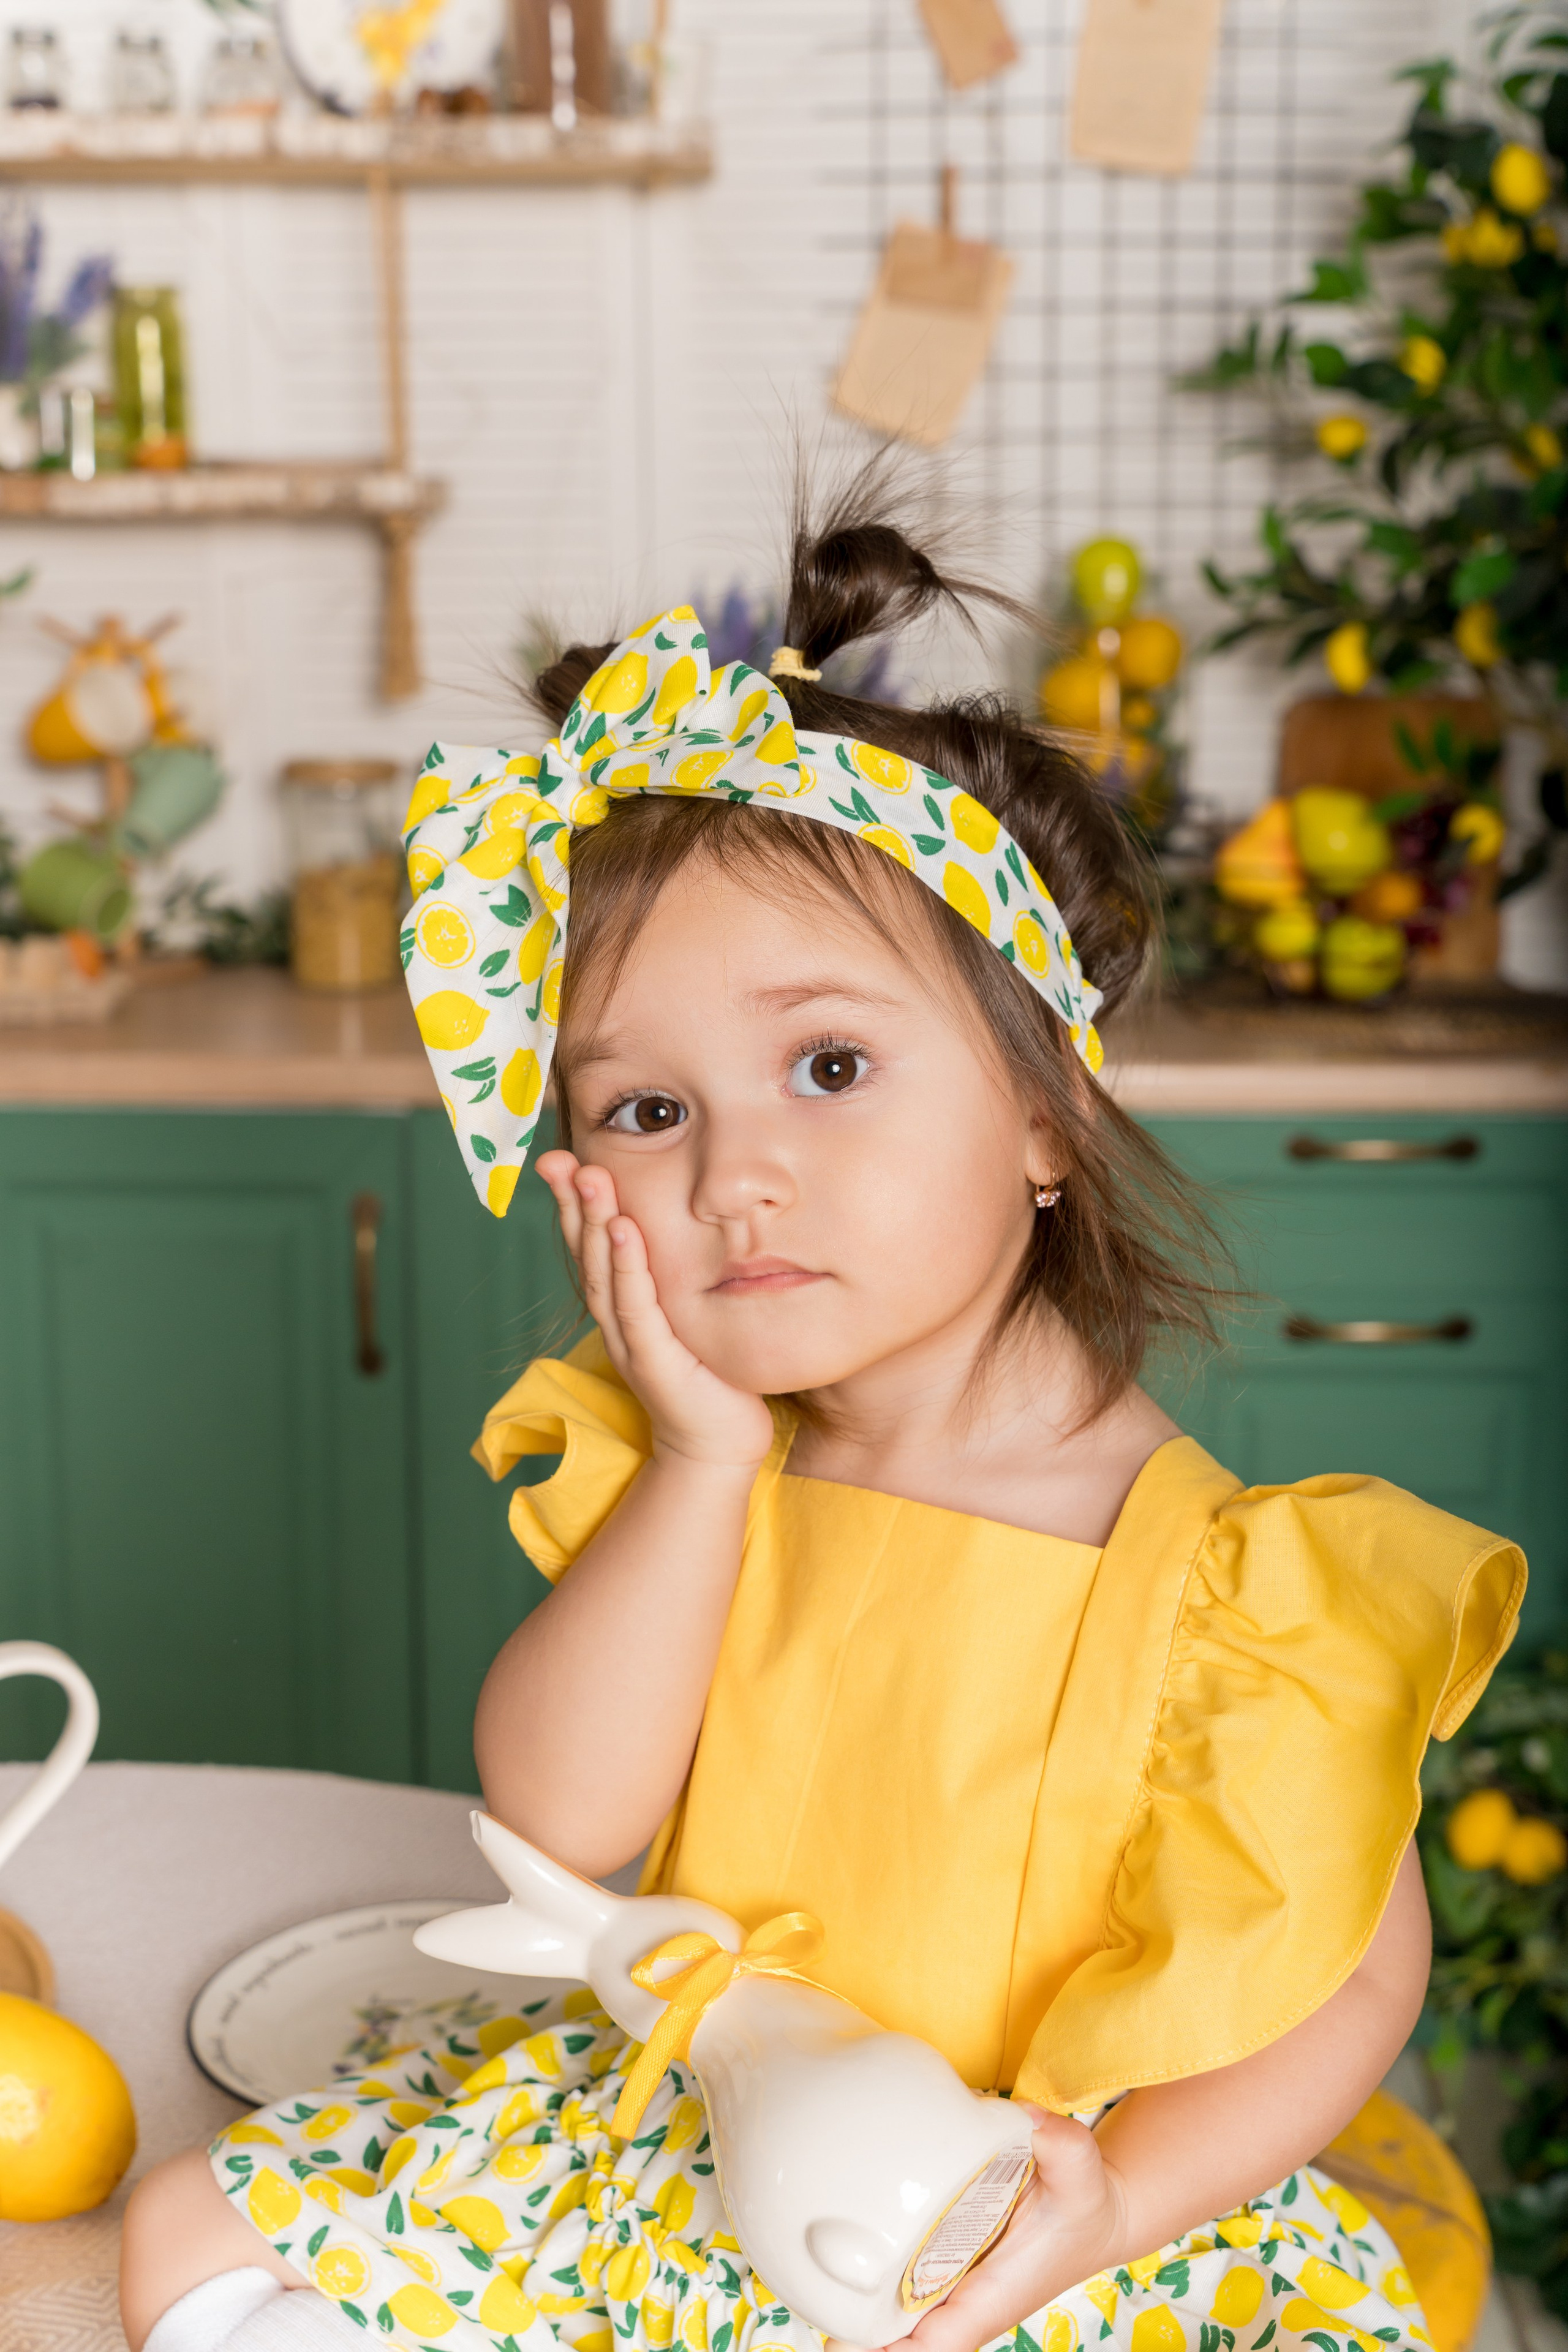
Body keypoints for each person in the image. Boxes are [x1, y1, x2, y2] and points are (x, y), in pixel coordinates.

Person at [121, 484, 1525, 2352]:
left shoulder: (1222, 1590)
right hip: (690, 2129)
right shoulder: (711, 1461)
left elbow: (1355, 1983)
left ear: (1047, 1116)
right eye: (644, 1110)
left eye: (830, 1066)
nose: (735, 1179)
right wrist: (698, 1462)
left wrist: (1121, 2203)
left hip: (997, 2209)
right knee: (175, 2235)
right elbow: (560, 1815)